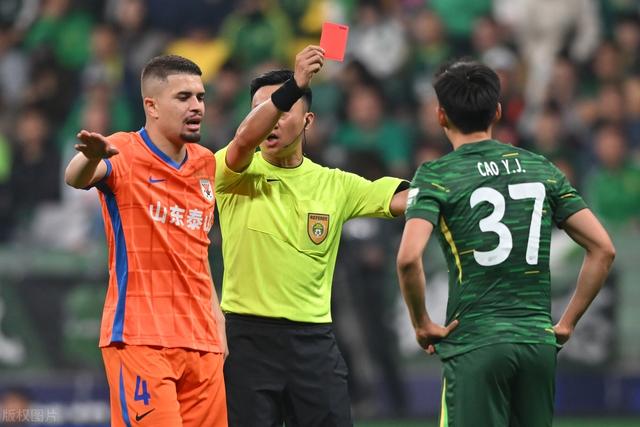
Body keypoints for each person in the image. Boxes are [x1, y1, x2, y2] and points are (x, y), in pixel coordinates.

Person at [396, 60, 615, 427]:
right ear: (496, 111)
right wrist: (566, 323)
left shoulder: (436, 175)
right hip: (536, 343)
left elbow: (407, 259)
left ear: (440, 115)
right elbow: (603, 249)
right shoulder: (541, 168)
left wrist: (421, 322)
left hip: (475, 344)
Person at [215, 45, 408, 426]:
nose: (270, 119)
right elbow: (243, 141)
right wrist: (295, 86)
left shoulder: (334, 184)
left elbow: (402, 198)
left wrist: (453, 186)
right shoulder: (231, 171)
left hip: (313, 344)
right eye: (258, 110)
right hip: (247, 342)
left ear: (308, 121)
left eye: (282, 109)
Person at [64, 55, 227, 427]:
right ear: (151, 106)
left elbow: (197, 251)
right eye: (183, 97)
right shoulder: (122, 151)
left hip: (202, 341)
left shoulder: (206, 163)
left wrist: (217, 320)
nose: (197, 106)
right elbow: (77, 177)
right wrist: (90, 158)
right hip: (141, 337)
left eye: (200, 97)